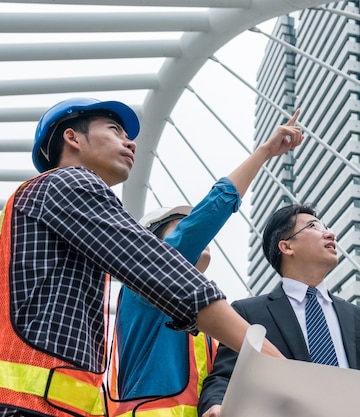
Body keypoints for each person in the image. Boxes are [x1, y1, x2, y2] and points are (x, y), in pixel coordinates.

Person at [0, 97, 290, 417]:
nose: (131, 142)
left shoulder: (39, 213)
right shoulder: (67, 182)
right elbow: (160, 269)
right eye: (115, 130)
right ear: (72, 138)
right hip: (28, 408)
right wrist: (267, 357)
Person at [107, 110, 304, 416]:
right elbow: (213, 209)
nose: (193, 231)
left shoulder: (205, 317)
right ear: (155, 244)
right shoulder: (142, 285)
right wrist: (264, 153)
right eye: (180, 225)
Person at [197, 203, 360, 417]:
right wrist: (216, 406)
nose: (330, 234)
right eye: (314, 227)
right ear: (286, 247)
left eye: (326, 227)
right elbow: (224, 377)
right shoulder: (248, 314)